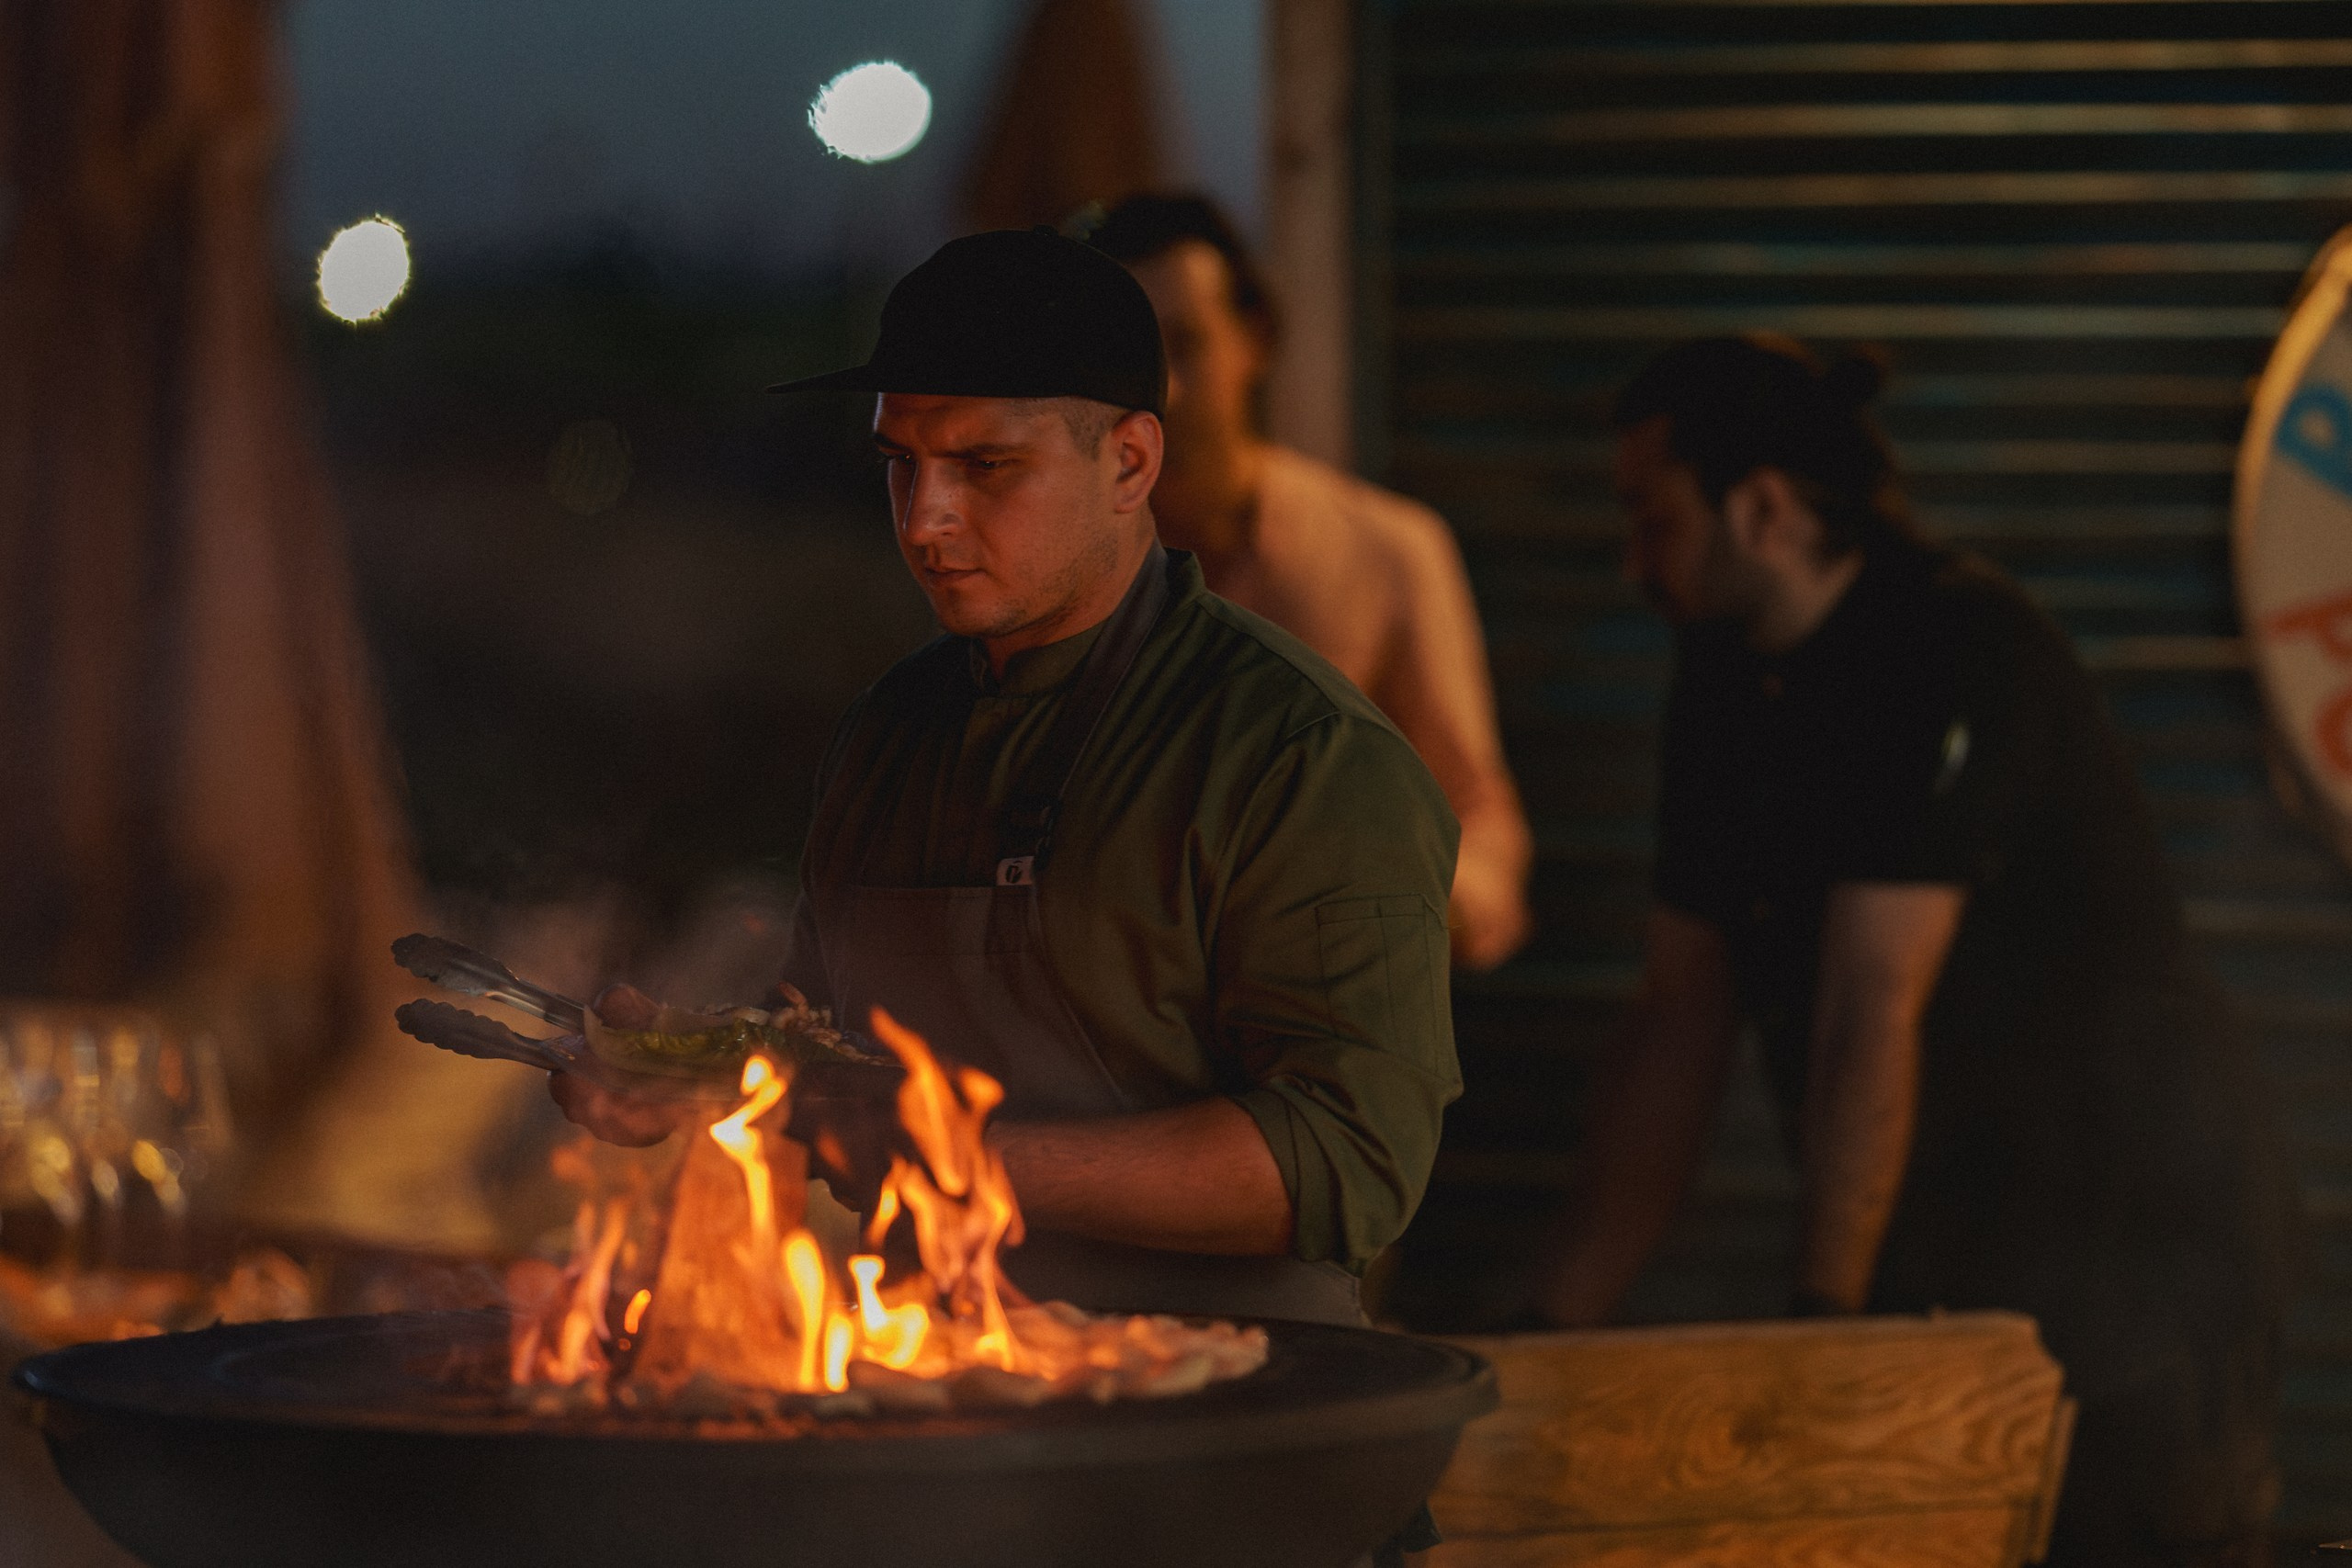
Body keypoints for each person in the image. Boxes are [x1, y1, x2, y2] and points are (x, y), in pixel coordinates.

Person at [1538, 335, 2297, 1566]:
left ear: (1764, 504)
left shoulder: (1946, 641)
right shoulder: (1723, 677)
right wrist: (1551, 1318)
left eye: (1650, 515)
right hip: (1945, 1227)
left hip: (2136, 1231)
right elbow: (1680, 1011)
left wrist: (1825, 1328)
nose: (1632, 561)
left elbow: (1868, 1007)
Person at [1086, 194, 1533, 970]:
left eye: (1185, 345)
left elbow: (1480, 816)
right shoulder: (1054, 570)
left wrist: (1419, 903)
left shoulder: (1385, 551)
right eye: (1126, 359)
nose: (1162, 392)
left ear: (1252, 340)